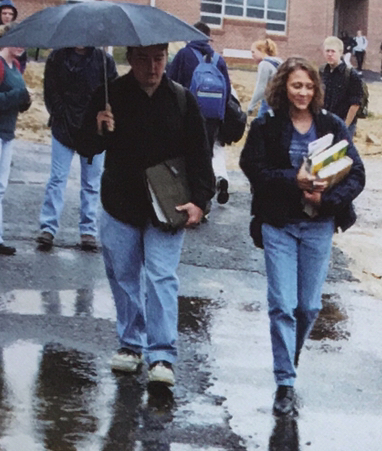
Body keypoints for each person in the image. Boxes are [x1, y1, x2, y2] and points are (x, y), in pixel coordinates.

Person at [78, 44, 215, 386]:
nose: (152, 68)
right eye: (143, 59)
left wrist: (200, 201)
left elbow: (201, 155)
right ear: (129, 59)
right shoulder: (109, 95)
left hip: (168, 208)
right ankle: (130, 345)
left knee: (161, 278)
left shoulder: (182, 100)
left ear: (166, 58)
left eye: (159, 59)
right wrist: (97, 127)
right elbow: (85, 147)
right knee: (123, 276)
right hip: (120, 203)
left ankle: (162, 355)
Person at [240, 57, 365, 416]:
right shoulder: (266, 124)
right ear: (284, 87)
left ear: (316, 90)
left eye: (309, 86)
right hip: (278, 223)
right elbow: (253, 167)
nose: (303, 92)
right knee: (282, 304)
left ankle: (288, 355)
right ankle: (285, 382)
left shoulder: (332, 124)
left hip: (319, 224)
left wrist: (327, 199)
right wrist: (291, 180)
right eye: (297, 85)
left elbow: (357, 173)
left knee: (308, 307)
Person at [36, 47, 117, 251]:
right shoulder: (57, 58)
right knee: (57, 179)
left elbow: (114, 93)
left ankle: (88, 230)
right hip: (63, 127)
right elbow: (50, 90)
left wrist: (104, 113)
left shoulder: (104, 61)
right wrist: (61, 113)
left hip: (93, 130)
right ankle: (48, 227)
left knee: (91, 182)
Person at [167, 21, 230, 204]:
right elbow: (226, 91)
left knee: (185, 156)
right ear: (208, 38)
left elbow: (171, 82)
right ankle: (204, 202)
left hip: (186, 113)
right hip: (212, 118)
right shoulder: (219, 59)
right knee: (205, 157)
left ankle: (186, 199)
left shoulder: (183, 54)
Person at [0, 23, 31, 258]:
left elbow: (16, 99)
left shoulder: (14, 66)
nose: (22, 45)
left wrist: (25, 101)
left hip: (7, 133)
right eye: (18, 39)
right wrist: (18, 96)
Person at [320, 36, 363, 139]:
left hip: (343, 122)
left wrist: (345, 126)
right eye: (327, 51)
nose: (330, 54)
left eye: (333, 51)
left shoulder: (351, 74)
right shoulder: (322, 71)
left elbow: (355, 104)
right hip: (326, 122)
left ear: (340, 52)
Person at [0, 0, 27, 74]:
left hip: (11, 71)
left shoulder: (17, 32)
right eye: (4, 13)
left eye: (10, 14)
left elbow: (22, 59)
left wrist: (17, 73)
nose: (7, 16)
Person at [247, 38, 282, 118]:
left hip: (269, 102)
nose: (252, 55)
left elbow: (261, 88)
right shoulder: (279, 62)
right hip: (281, 101)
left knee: (260, 127)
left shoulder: (264, 64)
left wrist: (251, 105)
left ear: (261, 50)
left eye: (253, 52)